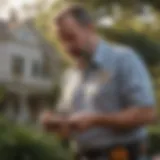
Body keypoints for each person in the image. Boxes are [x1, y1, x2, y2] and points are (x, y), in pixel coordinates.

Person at [41, 4, 157, 160]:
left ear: (90, 28)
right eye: (61, 41)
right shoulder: (71, 75)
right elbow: (67, 119)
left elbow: (147, 114)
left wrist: (96, 120)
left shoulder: (123, 59)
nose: (67, 47)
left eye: (71, 37)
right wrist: (56, 122)